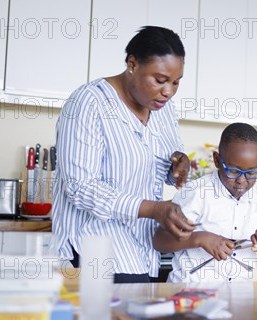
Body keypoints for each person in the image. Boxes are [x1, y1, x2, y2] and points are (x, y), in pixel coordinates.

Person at [53, 26, 196, 283]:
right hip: (96, 251)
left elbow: (163, 164)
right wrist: (153, 209)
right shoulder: (88, 103)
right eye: (160, 80)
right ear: (132, 64)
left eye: (176, 82)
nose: (169, 91)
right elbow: (80, 187)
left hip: (142, 250)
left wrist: (179, 164)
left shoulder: (164, 109)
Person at [153, 123, 257, 283]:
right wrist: (200, 239)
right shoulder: (196, 192)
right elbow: (159, 239)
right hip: (191, 293)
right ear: (216, 160)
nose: (242, 181)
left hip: (238, 297)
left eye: (251, 173)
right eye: (234, 171)